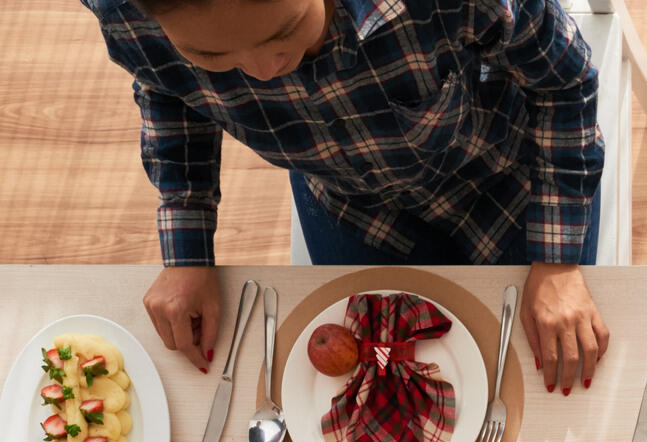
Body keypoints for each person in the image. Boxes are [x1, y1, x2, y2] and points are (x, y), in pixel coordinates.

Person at [82, 0, 610, 393]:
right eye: (211, 56)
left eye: (286, 32)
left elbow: (566, 85)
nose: (266, 71)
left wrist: (558, 264)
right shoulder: (126, 12)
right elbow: (167, 90)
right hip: (351, 206)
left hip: (506, 177)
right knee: (378, 383)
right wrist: (186, 246)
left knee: (534, 380)